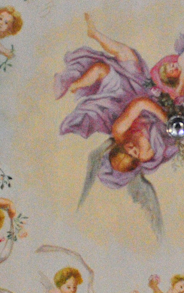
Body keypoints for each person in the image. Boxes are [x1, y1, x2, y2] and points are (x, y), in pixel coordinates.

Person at [54, 13, 176, 186]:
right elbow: (169, 140)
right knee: (127, 59)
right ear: (137, 160)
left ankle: (75, 82)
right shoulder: (147, 154)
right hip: (154, 104)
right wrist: (170, 121)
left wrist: (165, 118)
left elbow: (140, 103)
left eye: (127, 150)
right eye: (133, 154)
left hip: (127, 95)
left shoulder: (119, 130)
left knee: (113, 62)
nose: (132, 149)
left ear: (119, 146)